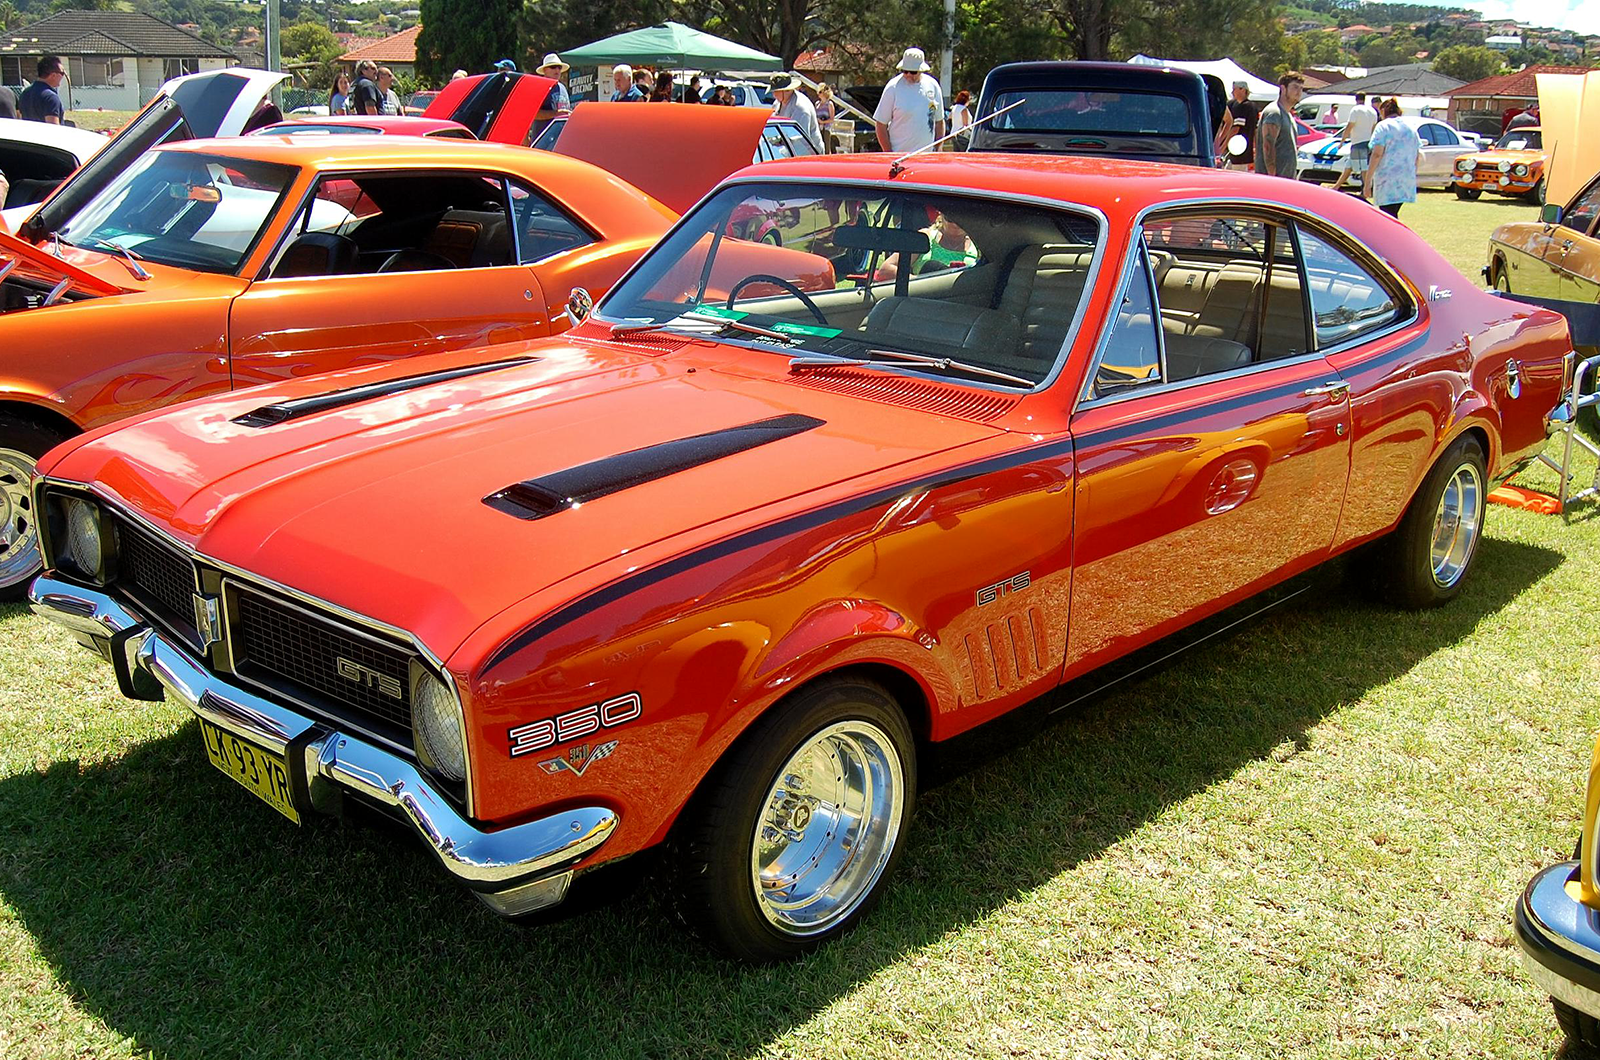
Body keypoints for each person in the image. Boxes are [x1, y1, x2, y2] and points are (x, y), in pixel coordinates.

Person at [873, 47, 944, 153]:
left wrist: (938, 149)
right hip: (899, 157)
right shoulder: (893, 87)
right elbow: (880, 124)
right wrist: (888, 153)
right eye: (905, 71)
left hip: (927, 157)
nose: (908, 75)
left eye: (913, 72)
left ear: (921, 70)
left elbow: (939, 121)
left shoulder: (933, 85)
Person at [1365, 99, 1421, 219]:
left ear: (1384, 111)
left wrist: (1368, 181)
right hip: (1406, 179)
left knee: (1387, 215)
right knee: (1392, 214)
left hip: (1387, 179)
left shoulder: (1383, 126)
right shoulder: (1411, 128)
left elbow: (1377, 154)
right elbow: (1417, 155)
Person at [1254, 70, 1304, 178]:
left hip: (1286, 180)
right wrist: (1272, 175)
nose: (1299, 92)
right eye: (1295, 87)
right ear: (1283, 88)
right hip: (1273, 181)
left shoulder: (1289, 116)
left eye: (1301, 88)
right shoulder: (1274, 112)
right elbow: (1268, 146)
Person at [1334, 92, 1378, 194]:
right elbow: (1374, 128)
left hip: (1358, 143)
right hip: (1368, 142)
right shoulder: (1372, 111)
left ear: (1356, 99)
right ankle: (1336, 187)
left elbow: (1349, 126)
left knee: (1363, 168)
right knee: (1349, 167)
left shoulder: (1355, 110)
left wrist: (1342, 141)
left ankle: (1365, 189)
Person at [770, 73, 822, 149]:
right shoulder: (777, 103)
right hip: (788, 150)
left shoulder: (800, 109)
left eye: (776, 91)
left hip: (808, 154)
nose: (774, 95)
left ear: (787, 90)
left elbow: (799, 139)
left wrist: (778, 142)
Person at [1213, 79, 1256, 169]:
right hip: (1234, 154)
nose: (1232, 92)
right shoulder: (1235, 104)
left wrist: (1221, 147)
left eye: (1235, 89)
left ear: (1242, 90)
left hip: (1241, 154)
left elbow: (1235, 129)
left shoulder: (1246, 106)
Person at [19, 56, 66, 124]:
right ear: (53, 75)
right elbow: (53, 129)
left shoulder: (25, 93)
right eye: (62, 73)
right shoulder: (51, 98)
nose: (63, 76)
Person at [814, 84, 837, 150]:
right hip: (818, 128)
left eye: (820, 92)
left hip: (826, 128)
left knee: (826, 147)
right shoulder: (817, 103)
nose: (818, 93)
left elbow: (832, 119)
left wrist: (823, 122)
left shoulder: (829, 104)